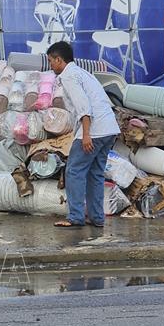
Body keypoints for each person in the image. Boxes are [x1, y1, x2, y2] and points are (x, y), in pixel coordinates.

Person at [46, 41, 120, 228]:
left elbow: (83, 107)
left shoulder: (69, 76)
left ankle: (76, 217)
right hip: (109, 128)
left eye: (51, 61)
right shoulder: (83, 73)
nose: (50, 66)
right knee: (95, 173)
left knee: (74, 171)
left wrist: (86, 134)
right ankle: (97, 218)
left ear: (59, 59)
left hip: (94, 130)